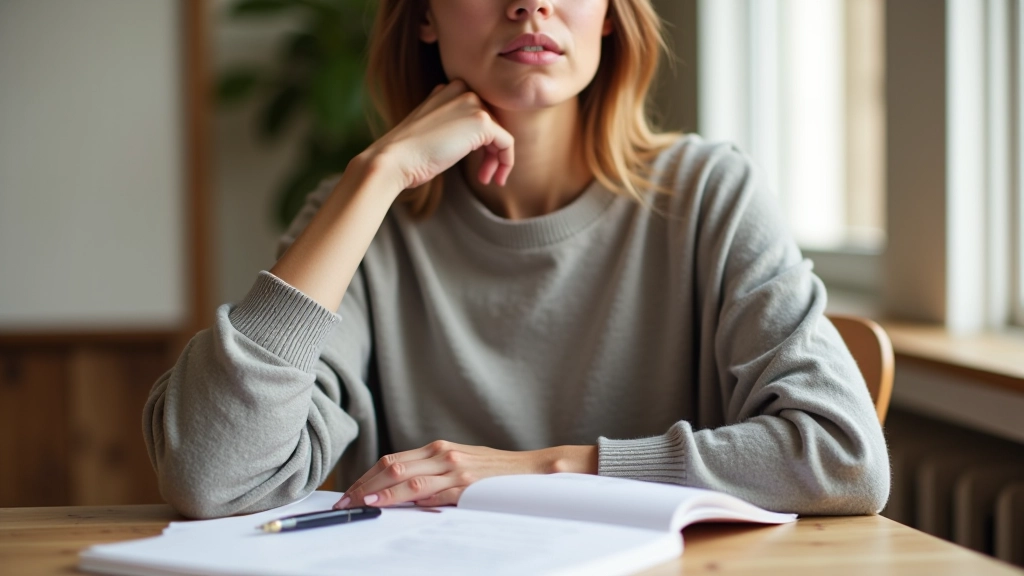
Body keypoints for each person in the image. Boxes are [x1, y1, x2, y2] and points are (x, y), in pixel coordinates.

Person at [143, 0, 890, 519]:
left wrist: (540, 470)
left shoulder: (709, 194)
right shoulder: (366, 218)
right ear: (425, 16)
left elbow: (842, 455)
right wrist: (376, 174)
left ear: (609, 15)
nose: (531, 6)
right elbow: (213, 475)